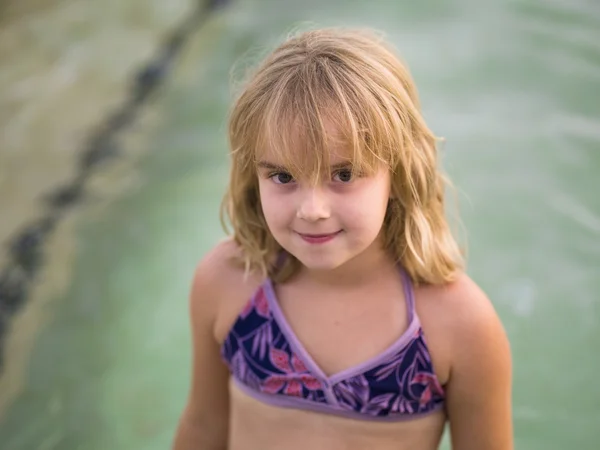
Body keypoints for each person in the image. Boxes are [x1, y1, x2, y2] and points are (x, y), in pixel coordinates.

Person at [172, 27, 513, 450]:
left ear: (399, 172)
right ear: (252, 173)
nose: (312, 209)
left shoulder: (458, 324)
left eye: (344, 175)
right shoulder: (229, 284)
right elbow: (204, 427)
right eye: (283, 176)